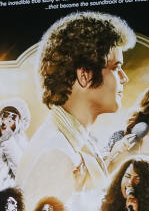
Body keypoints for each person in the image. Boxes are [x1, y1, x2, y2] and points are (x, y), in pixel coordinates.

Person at [19, 12, 135, 201]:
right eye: (115, 68)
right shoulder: (56, 155)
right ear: (85, 75)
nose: (124, 77)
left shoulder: (75, 141)